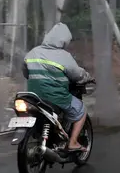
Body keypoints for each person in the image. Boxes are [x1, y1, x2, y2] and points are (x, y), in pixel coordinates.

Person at [22, 23, 93, 152]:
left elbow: (25, 72)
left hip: (33, 97)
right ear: (64, 41)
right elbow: (77, 75)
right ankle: (72, 142)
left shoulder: (33, 52)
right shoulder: (63, 56)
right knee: (81, 110)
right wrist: (88, 77)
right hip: (55, 96)